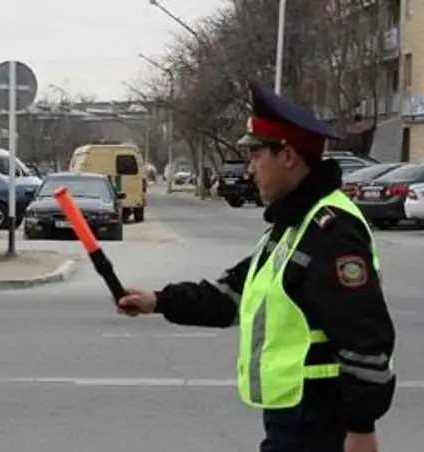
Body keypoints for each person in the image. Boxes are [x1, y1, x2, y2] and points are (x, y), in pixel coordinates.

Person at [117, 79, 396, 452]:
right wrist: (158, 301)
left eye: (255, 155)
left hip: (320, 422)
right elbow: (232, 295)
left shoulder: (330, 230)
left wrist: (360, 427)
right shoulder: (293, 225)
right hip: (294, 418)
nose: (249, 169)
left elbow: (365, 336)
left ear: (288, 156)